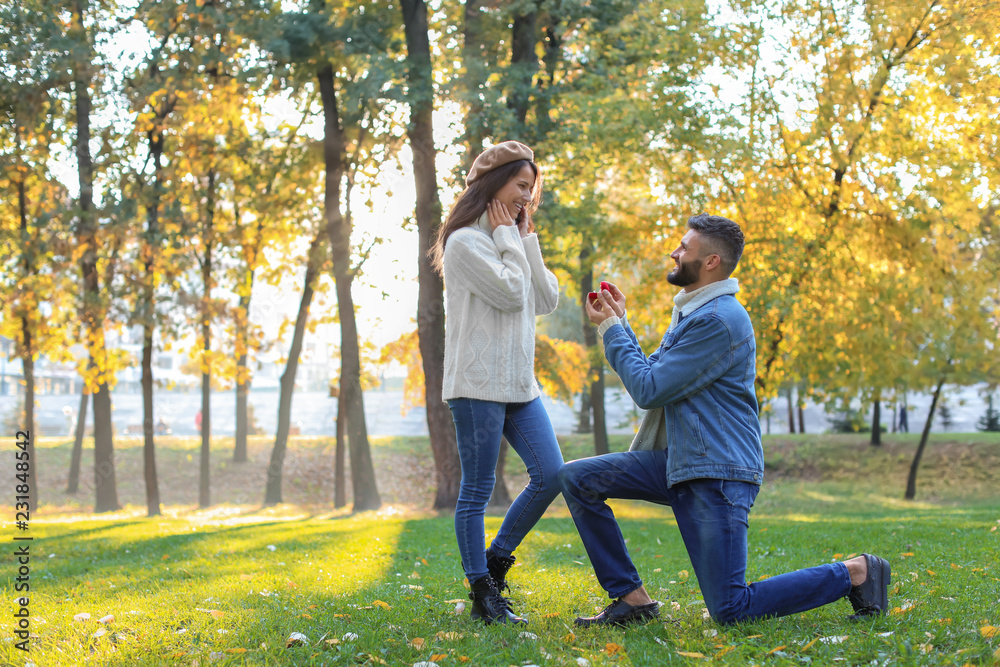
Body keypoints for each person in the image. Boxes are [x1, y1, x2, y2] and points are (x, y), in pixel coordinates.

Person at [560, 213, 891, 628]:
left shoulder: (717, 320)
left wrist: (611, 328)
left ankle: (857, 572)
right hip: (681, 462)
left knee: (731, 609)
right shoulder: (694, 313)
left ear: (712, 261)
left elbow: (648, 389)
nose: (675, 252)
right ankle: (631, 600)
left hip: (718, 472)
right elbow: (654, 377)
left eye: (684, 247)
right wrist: (620, 323)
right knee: (577, 478)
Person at [430, 140, 562, 625]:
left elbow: (544, 298)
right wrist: (510, 240)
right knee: (477, 490)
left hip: (518, 386)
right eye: (520, 185)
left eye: (532, 188)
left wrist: (525, 239)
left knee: (552, 475)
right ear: (494, 184)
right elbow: (510, 294)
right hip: (477, 385)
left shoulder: (511, 239)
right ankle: (483, 594)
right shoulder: (465, 242)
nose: (528, 196)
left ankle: (495, 562)